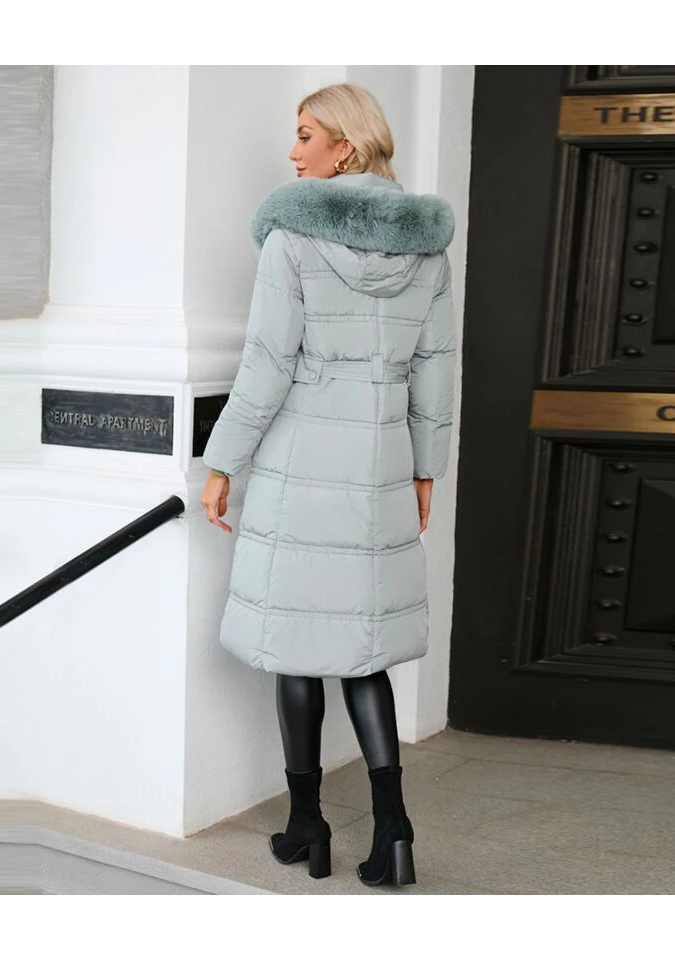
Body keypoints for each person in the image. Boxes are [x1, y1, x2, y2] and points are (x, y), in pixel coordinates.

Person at [200, 82, 455, 887]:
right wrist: (425, 468)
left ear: (345, 146)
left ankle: (306, 825)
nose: (293, 151)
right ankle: (394, 829)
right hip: (378, 467)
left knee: (297, 649)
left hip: (300, 466)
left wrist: (223, 462)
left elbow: (267, 364)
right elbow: (434, 369)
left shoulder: (292, 239)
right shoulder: (426, 249)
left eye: (306, 135)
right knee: (364, 646)